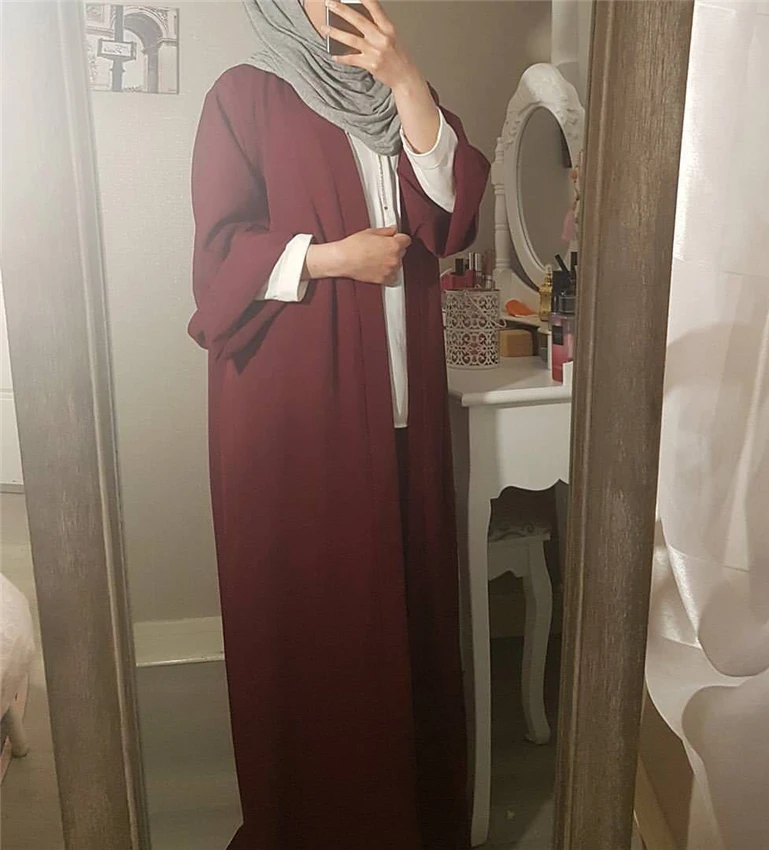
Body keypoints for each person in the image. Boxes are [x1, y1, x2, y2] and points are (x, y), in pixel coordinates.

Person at [188, 0, 489, 847]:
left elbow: (452, 218)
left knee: (406, 611)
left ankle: (408, 822)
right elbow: (217, 263)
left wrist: (405, 80)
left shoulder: (395, 96)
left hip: (400, 401)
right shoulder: (244, 95)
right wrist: (333, 259)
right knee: (315, 618)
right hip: (297, 412)